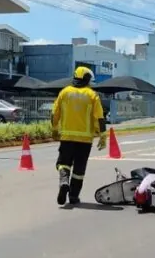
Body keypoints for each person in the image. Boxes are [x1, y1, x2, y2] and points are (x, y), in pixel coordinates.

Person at [51, 66, 107, 205]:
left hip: (67, 138)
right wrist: (102, 135)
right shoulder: (92, 95)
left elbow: (54, 113)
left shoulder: (64, 92)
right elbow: (99, 117)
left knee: (63, 163)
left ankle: (64, 182)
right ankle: (74, 197)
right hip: (85, 140)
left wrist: (54, 128)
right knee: (79, 170)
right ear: (87, 79)